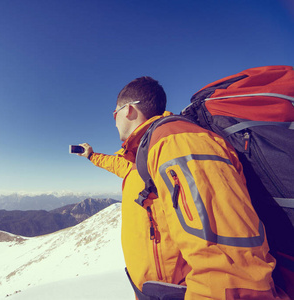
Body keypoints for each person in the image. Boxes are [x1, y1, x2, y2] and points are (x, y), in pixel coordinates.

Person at [77, 76, 287, 299]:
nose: (113, 119)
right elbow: (122, 167)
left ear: (128, 110)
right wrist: (92, 156)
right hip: (156, 290)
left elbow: (231, 267)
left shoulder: (177, 143)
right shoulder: (145, 151)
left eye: (114, 112)